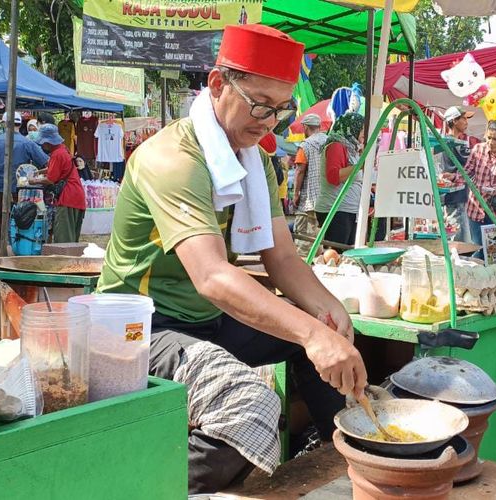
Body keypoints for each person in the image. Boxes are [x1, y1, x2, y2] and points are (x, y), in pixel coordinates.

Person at [96, 24, 367, 494]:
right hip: (139, 328)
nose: (269, 122)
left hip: (205, 322)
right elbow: (213, 277)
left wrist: (330, 316)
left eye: (281, 111)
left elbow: (282, 255)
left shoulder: (253, 158)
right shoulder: (173, 158)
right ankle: (149, 487)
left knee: (336, 340)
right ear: (219, 85)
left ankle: (347, 461)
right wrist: (311, 331)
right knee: (249, 408)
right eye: (260, 104)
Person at [0, 112, 49, 248]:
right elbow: (46, 162)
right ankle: (18, 247)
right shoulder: (28, 143)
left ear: (4, 124)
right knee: (21, 220)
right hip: (20, 191)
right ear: (20, 124)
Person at [315, 112, 365, 246]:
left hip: (346, 210)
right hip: (336, 210)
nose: (363, 134)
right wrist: (360, 165)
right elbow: (334, 176)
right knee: (335, 253)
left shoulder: (350, 148)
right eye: (362, 130)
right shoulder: (336, 146)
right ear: (352, 128)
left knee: (346, 253)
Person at [32, 125, 86, 243]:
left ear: (48, 142)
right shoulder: (63, 149)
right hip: (76, 196)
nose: (42, 145)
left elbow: (50, 179)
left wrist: (33, 181)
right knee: (71, 238)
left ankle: (64, 261)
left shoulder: (57, 154)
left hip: (68, 197)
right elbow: (55, 168)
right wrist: (39, 172)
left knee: (64, 240)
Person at [464, 120, 496, 257]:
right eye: (488, 137)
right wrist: (452, 178)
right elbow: (466, 172)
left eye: (495, 139)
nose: (491, 142)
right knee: (478, 248)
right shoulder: (478, 149)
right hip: (476, 210)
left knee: (493, 253)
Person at [440, 106, 480, 242]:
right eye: (463, 118)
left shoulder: (460, 142)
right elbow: (465, 167)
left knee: (465, 240)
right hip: (455, 198)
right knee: (459, 242)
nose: (466, 122)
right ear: (454, 121)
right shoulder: (448, 142)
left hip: (463, 197)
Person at [293, 114, 327, 256]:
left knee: (304, 238)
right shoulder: (329, 141)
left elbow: (300, 171)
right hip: (328, 200)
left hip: (309, 200)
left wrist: (296, 193)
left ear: (305, 127)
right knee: (321, 237)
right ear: (319, 127)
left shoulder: (305, 145)